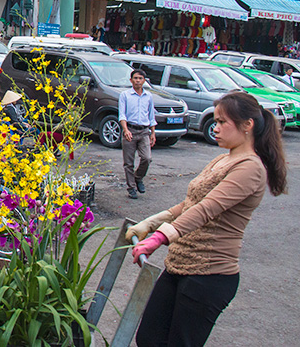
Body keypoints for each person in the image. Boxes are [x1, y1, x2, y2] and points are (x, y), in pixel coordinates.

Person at [128, 91, 287, 347]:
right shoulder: (223, 159)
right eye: (216, 120)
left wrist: (159, 238)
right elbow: (190, 203)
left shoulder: (250, 167)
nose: (216, 128)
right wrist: (152, 222)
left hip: (209, 276)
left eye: (223, 122)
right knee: (148, 338)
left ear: (247, 125)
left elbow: (207, 209)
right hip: (179, 264)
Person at [119, 68, 156, 199]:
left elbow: (151, 115)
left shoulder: (148, 96)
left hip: (144, 131)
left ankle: (138, 177)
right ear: (131, 80)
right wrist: (125, 130)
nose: (138, 81)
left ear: (144, 81)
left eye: (140, 78)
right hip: (130, 129)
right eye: (135, 78)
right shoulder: (125, 95)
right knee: (128, 162)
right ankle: (131, 188)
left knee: (147, 158)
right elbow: (122, 114)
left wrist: (153, 133)